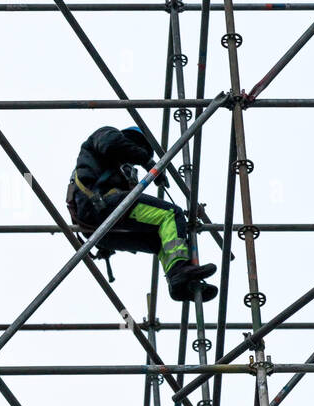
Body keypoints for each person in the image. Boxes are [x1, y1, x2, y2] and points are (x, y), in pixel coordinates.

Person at [67, 125, 218, 301]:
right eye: (140, 148)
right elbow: (113, 144)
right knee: (170, 214)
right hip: (99, 207)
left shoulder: (120, 170)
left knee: (158, 239)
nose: (136, 156)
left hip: (99, 227)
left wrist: (103, 247)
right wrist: (147, 161)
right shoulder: (105, 135)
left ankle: (179, 281)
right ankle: (179, 269)